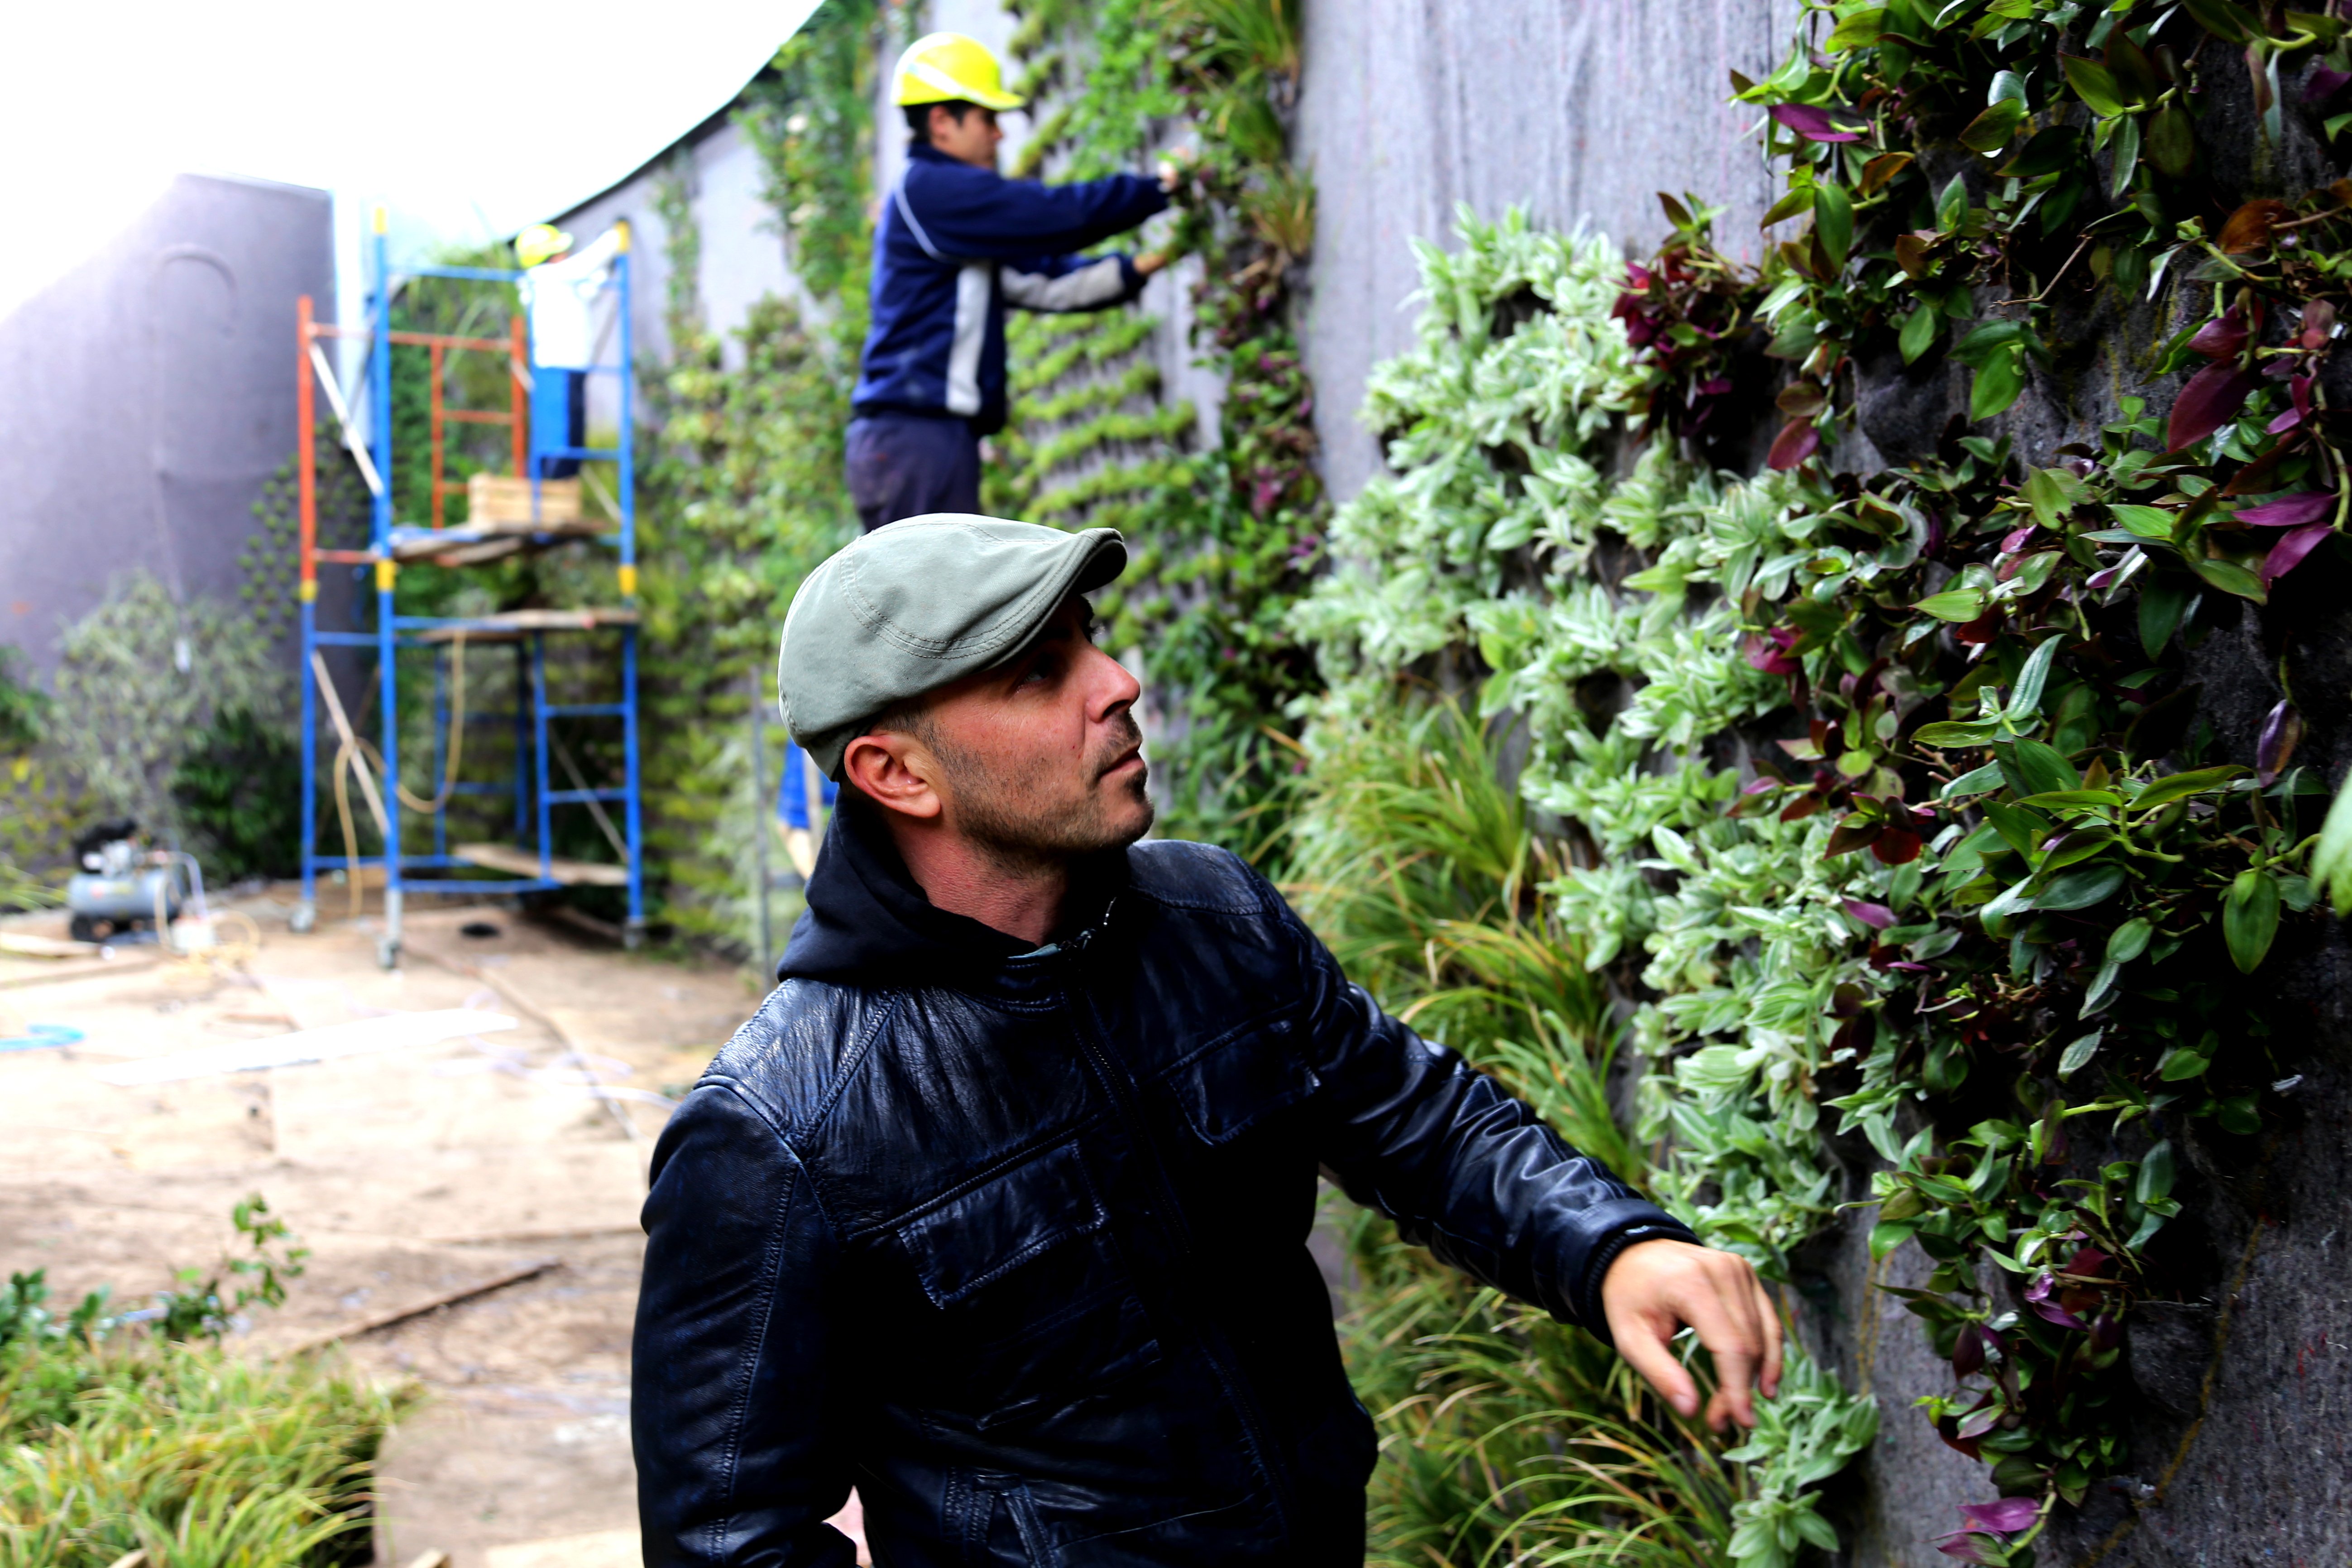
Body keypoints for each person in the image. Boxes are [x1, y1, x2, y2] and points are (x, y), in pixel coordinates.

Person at [632, 514, 1786, 1565]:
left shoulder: (1212, 917)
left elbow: (1419, 1123)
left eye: (1092, 640)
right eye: (1041, 672)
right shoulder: (779, 1128)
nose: (1118, 682)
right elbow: (730, 1541)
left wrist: (1612, 1245)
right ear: (896, 772)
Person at [847, 34, 1175, 532]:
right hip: (916, 437)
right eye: (987, 118)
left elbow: (1043, 282)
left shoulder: (951, 225)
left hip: (917, 440)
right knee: (943, 605)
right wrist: (1158, 190)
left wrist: (1146, 264)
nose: (999, 135)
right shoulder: (931, 190)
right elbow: (1053, 216)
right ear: (941, 122)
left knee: (947, 601)